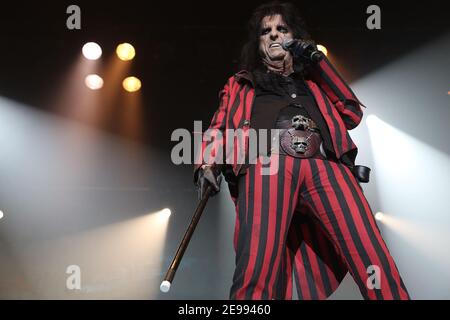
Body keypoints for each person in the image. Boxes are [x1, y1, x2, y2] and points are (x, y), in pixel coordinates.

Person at [194, 2, 410, 300]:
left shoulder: (314, 82)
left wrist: (315, 59)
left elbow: (351, 112)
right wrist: (207, 164)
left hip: (326, 166)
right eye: (265, 31)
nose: (273, 35)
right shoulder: (240, 84)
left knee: (370, 252)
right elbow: (218, 129)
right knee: (257, 266)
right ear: (257, 43)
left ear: (294, 38)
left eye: (281, 29)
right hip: (265, 164)